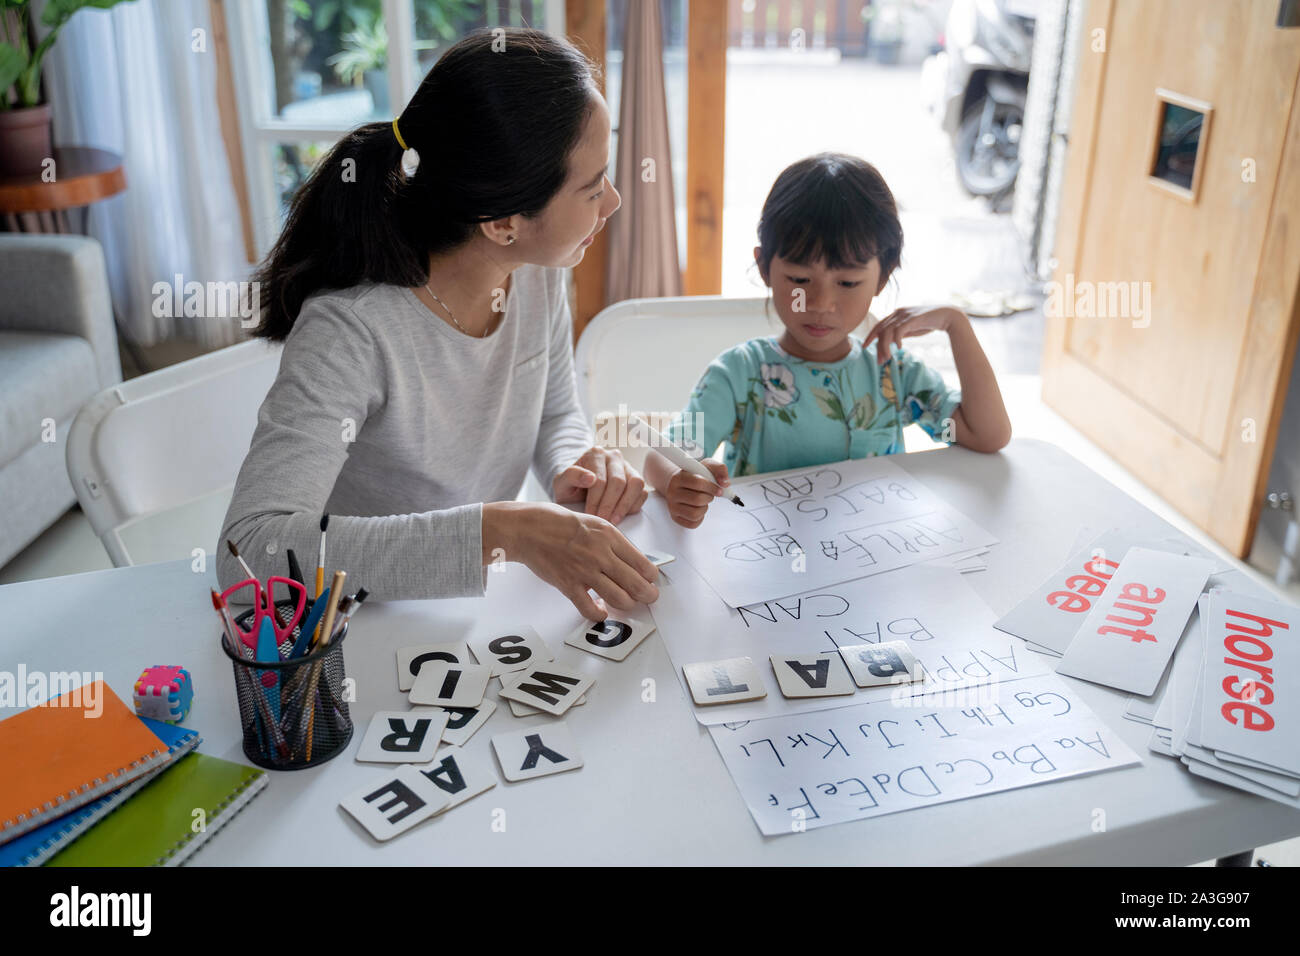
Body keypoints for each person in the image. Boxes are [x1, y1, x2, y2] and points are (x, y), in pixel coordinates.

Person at [217, 29, 658, 621]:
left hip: (479, 616)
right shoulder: (349, 332)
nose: (613, 201)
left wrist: (574, 464)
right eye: (590, 186)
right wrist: (502, 533)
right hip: (359, 626)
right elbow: (248, 552)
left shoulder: (533, 268)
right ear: (503, 223)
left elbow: (554, 412)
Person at [646, 152, 1012, 528]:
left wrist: (956, 324)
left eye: (848, 283)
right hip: (767, 565)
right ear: (764, 268)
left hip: (875, 559)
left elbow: (988, 435)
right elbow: (663, 455)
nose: (821, 304)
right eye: (800, 280)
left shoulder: (893, 372)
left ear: (882, 278)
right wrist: (678, 480)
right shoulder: (740, 373)